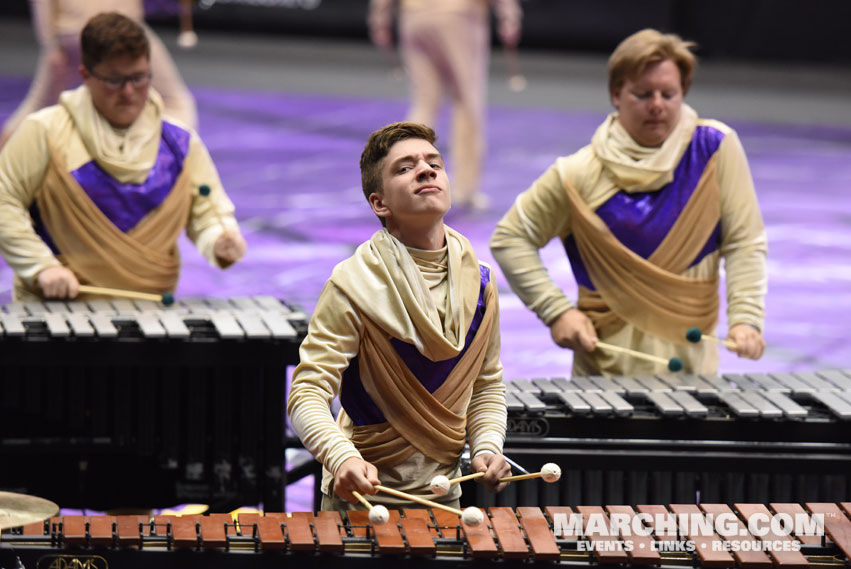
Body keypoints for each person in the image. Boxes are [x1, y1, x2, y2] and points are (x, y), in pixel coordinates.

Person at [490, 29, 767, 377]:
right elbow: (511, 237)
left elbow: (744, 241)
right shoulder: (578, 174)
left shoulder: (715, 150)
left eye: (669, 94)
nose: (657, 105)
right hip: (603, 376)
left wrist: (746, 319)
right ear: (615, 94)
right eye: (642, 94)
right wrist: (556, 311)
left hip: (694, 375)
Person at [287, 122, 510, 510]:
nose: (426, 170)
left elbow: (487, 386)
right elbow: (306, 393)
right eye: (405, 168)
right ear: (380, 203)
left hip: (445, 498)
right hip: (361, 502)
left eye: (433, 163)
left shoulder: (481, 283)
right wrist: (342, 458)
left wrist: (487, 446)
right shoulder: (353, 285)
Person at [0, 12, 245, 301]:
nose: (129, 92)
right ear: (86, 76)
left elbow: (207, 210)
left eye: (138, 78)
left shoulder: (179, 142)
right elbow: (5, 201)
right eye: (115, 81)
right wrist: (41, 267)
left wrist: (219, 238)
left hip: (150, 316)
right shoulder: (44, 132)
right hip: (57, 309)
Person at [368, 0, 522, 211]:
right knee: (466, 102)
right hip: (459, 15)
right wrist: (509, 13)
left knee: (424, 102)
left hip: (414, 16)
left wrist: (379, 16)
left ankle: (402, 180)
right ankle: (465, 190)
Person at [0, 0, 197, 148]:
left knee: (38, 106)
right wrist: (51, 46)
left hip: (82, 34)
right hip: (101, 34)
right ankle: (177, 155)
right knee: (174, 100)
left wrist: (51, 45)